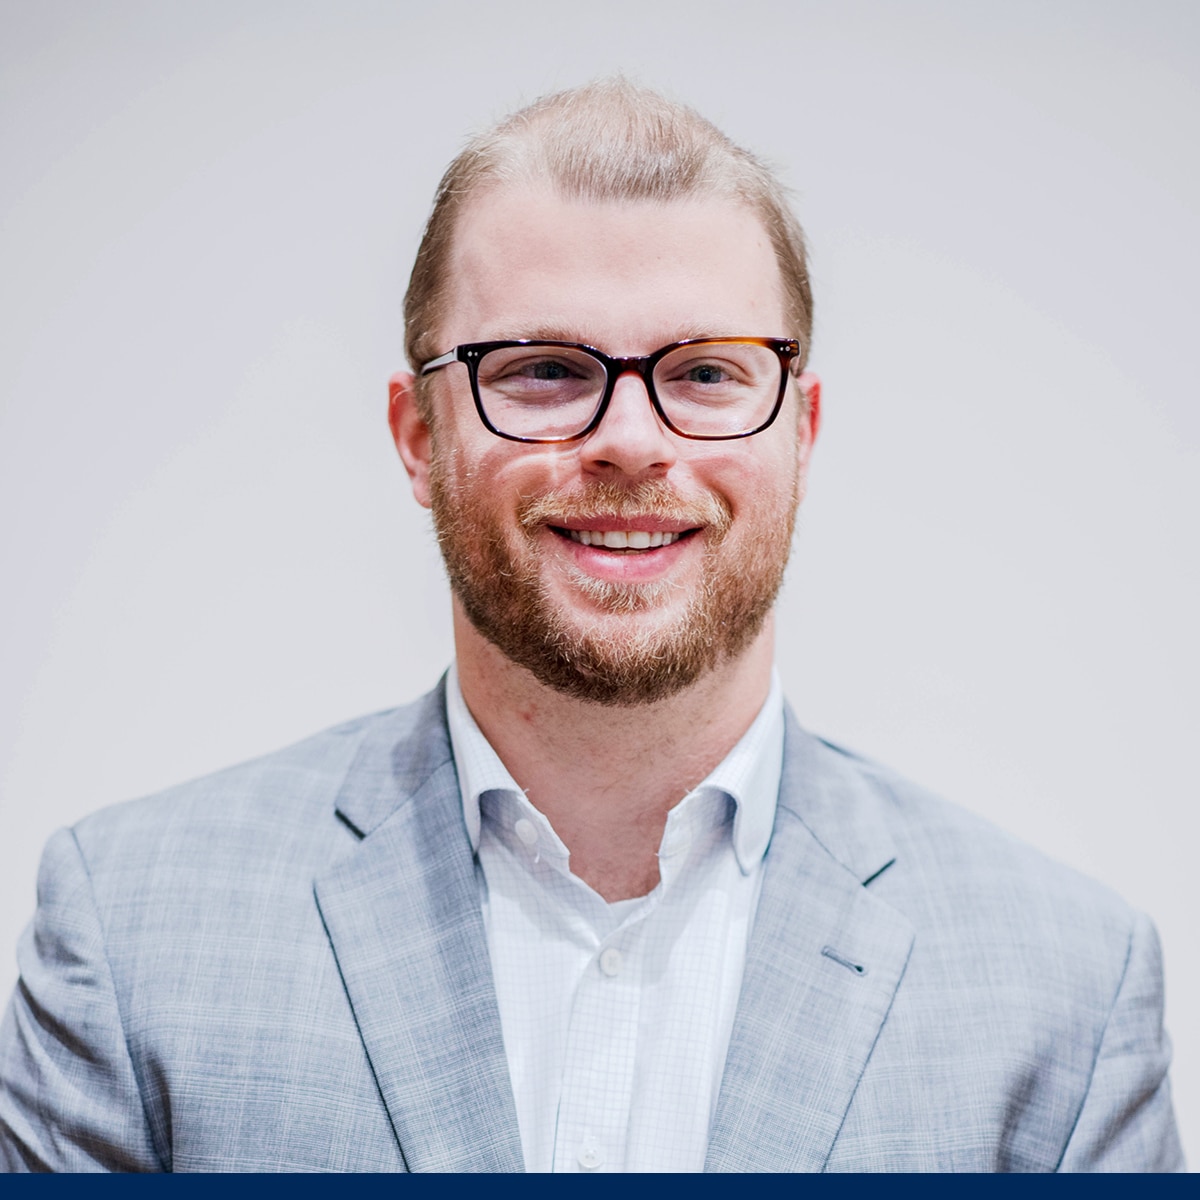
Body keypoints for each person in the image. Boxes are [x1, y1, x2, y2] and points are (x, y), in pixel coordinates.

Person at [0, 80, 1184, 1174]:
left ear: (802, 435)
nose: (630, 439)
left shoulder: (1066, 997)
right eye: (546, 370)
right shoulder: (131, 938)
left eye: (710, 374)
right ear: (419, 436)